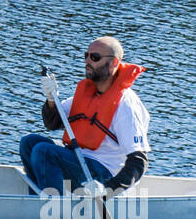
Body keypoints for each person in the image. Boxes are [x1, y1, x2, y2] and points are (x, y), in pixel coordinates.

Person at [19, 36, 151, 199]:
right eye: (86, 56)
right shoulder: (88, 93)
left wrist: (107, 190)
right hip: (79, 161)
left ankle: (55, 210)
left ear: (114, 63)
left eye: (95, 57)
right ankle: (38, 201)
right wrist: (51, 100)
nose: (88, 61)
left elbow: (139, 162)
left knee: (44, 152)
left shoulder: (126, 105)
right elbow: (53, 123)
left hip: (103, 176)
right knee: (29, 142)